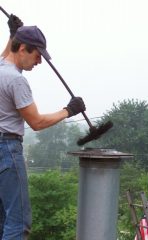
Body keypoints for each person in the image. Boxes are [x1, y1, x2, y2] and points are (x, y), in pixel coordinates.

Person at [0, 14, 86, 239]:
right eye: (38, 55)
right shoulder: (17, 81)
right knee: (18, 222)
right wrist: (69, 110)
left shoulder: (1, 69)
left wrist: (11, 35)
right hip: (7, 150)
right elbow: (36, 122)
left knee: (3, 219)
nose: (39, 62)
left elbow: (5, 56)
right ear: (24, 49)